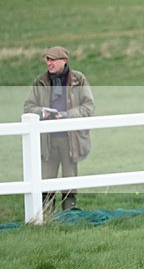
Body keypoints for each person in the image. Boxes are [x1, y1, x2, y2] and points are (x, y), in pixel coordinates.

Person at [23, 46, 95, 212]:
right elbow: (28, 107)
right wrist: (42, 112)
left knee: (70, 182)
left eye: (53, 60)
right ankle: (46, 217)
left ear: (64, 61)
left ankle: (68, 216)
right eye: (48, 59)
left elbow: (89, 107)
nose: (49, 63)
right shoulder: (40, 81)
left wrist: (68, 115)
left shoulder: (79, 79)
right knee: (46, 181)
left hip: (71, 140)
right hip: (47, 140)